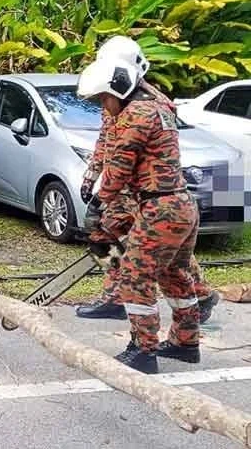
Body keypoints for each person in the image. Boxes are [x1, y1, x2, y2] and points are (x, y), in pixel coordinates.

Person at [76, 36, 220, 322]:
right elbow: (106, 140)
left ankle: (200, 295)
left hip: (146, 189)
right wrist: (91, 175)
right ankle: (116, 295)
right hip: (128, 187)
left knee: (161, 247)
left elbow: (124, 156)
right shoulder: (115, 95)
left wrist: (102, 196)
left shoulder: (147, 105)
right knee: (103, 232)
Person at [78, 56, 200, 373]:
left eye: (104, 98)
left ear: (119, 89)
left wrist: (98, 204)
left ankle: (143, 351)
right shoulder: (158, 105)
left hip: (160, 208)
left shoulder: (136, 116)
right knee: (174, 275)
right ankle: (186, 343)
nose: (103, 106)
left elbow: (118, 169)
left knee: (134, 277)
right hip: (180, 204)